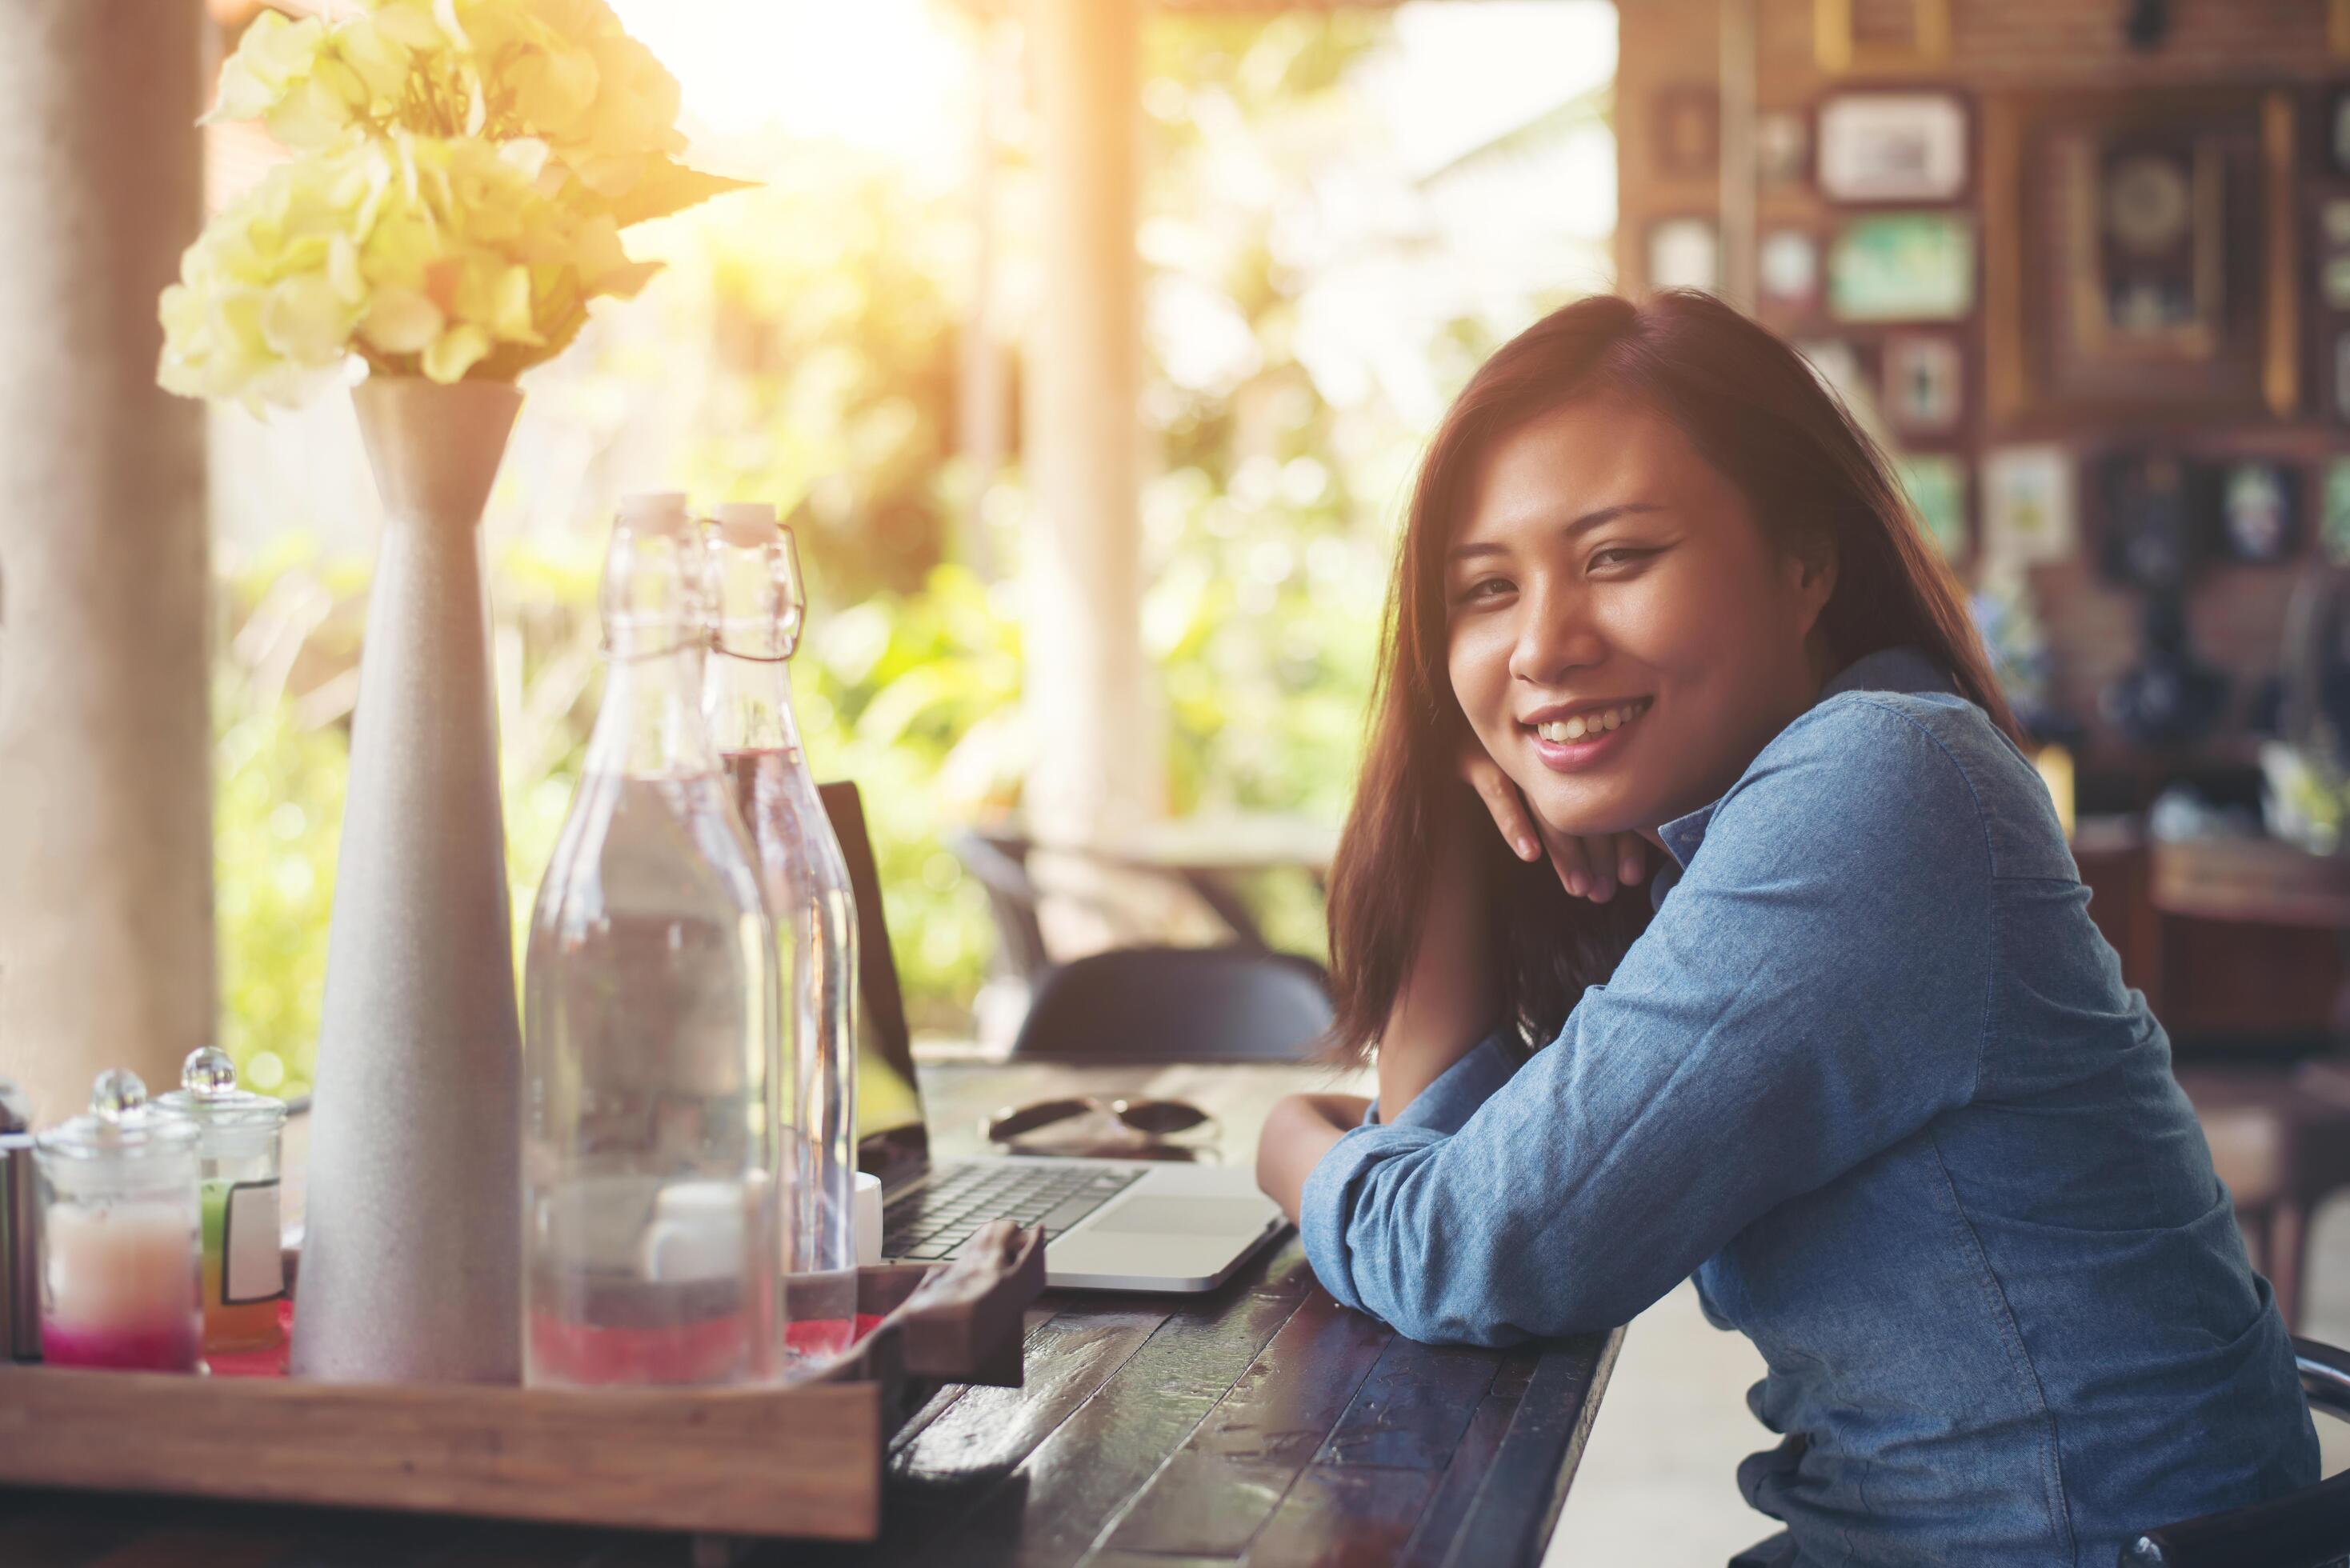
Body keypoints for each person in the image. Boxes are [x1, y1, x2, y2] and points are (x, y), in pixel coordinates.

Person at [1253, 291, 2317, 1566]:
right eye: (1484, 589)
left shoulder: (1874, 787)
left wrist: (1282, 1145)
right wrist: (1446, 811)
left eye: (1615, 557)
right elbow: (1477, 1206)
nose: (1542, 644)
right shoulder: (1775, 810)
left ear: (1803, 563)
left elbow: (1469, 1251)